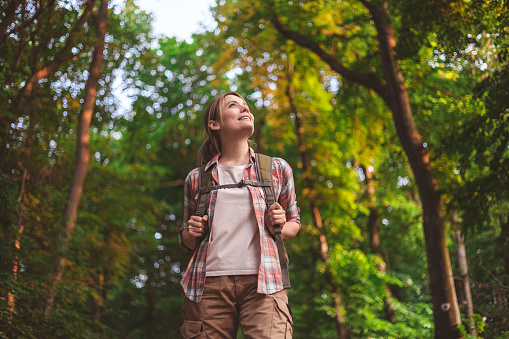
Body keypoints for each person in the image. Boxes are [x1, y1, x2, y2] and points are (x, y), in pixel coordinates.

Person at [178, 92, 301, 338]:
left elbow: (293, 224)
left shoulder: (276, 169)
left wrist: (277, 224)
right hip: (208, 286)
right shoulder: (196, 178)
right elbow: (186, 239)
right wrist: (191, 232)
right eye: (234, 105)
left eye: (246, 106)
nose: (245, 109)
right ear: (215, 124)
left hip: (265, 284)